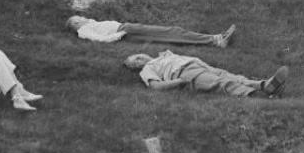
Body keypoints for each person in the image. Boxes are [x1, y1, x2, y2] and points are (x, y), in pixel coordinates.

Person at [123, 50, 288, 98]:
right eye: (134, 61)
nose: (139, 59)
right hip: (185, 73)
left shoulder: (162, 55)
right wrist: (180, 81)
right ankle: (256, 97)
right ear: (136, 67)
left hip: (200, 65)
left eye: (137, 55)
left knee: (231, 77)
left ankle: (264, 86)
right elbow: (156, 86)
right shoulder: (147, 69)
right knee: (221, 83)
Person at [67, 16, 236, 48]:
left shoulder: (88, 24)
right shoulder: (83, 30)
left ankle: (215, 38)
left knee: (173, 32)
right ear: (75, 23)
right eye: (78, 17)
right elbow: (99, 40)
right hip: (126, 31)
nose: (82, 17)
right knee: (173, 32)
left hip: (127, 28)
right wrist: (121, 35)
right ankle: (216, 40)